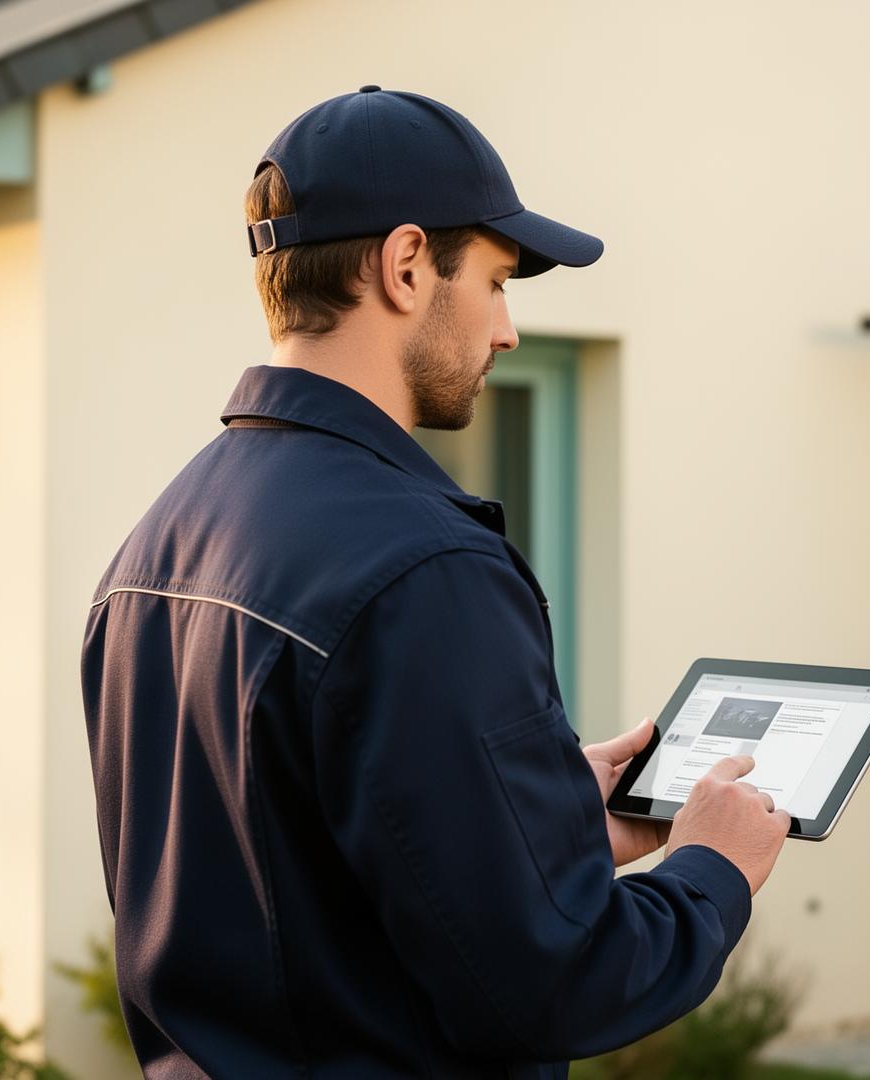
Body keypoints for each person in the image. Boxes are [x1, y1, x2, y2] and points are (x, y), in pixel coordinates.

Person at [79, 86, 791, 1078]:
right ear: (407, 264)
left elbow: (299, 884)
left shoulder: (154, 549)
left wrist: (534, 819)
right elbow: (556, 982)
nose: (505, 330)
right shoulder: (424, 567)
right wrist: (716, 870)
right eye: (497, 282)